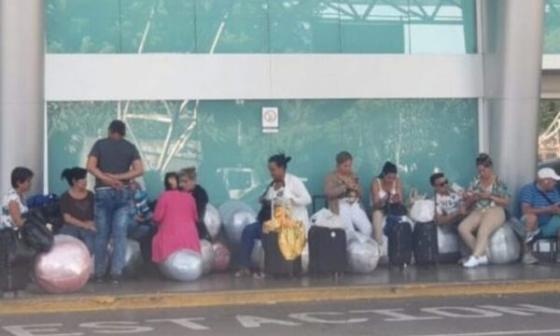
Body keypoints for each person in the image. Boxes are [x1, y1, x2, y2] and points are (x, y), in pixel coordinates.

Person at [87, 120, 144, 285]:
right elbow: (140, 170)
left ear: (109, 130)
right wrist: (119, 178)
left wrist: (107, 178)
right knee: (120, 236)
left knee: (101, 235)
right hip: (123, 192)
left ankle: (98, 274)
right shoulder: (130, 147)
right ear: (124, 132)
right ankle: (115, 274)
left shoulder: (99, 144)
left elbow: (90, 166)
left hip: (103, 192)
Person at [236, 154, 311, 278]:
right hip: (274, 223)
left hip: (291, 225)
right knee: (249, 230)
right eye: (270, 170)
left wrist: (290, 200)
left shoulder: (293, 181)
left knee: (269, 235)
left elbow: (307, 199)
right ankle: (244, 266)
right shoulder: (271, 185)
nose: (271, 173)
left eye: (273, 170)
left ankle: (269, 268)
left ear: (282, 168)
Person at [459, 153, 510, 268]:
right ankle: (482, 255)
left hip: (495, 209)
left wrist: (490, 196)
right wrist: (470, 198)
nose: (481, 173)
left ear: (490, 168)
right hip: (479, 209)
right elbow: (469, 200)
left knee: (483, 230)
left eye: (484, 171)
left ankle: (475, 257)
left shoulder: (498, 181)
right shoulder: (475, 181)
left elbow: (507, 201)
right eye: (479, 171)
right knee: (463, 228)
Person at [151, 176, 200, 264]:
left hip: (170, 243)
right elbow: (195, 218)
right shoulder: (190, 198)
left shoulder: (164, 196)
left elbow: (157, 218)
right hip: (191, 241)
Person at [324, 151, 372, 239]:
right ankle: (350, 250)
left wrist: (357, 188)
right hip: (340, 206)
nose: (348, 168)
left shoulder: (353, 175)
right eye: (345, 166)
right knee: (349, 231)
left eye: (350, 165)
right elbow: (328, 193)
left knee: (367, 228)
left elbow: (361, 193)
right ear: (338, 165)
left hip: (354, 205)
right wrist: (345, 187)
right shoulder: (331, 176)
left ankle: (365, 248)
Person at [517, 167, 560, 265]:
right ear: (545, 181)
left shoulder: (554, 191)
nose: (555, 183)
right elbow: (525, 210)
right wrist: (548, 209)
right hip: (533, 224)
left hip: (549, 223)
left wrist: (556, 210)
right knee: (531, 217)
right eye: (553, 181)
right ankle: (526, 253)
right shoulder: (528, 189)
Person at [58, 167, 95, 254]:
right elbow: (67, 218)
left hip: (89, 226)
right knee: (70, 245)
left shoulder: (91, 195)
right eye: (82, 179)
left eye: (85, 179)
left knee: (91, 244)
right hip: (71, 227)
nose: (85, 181)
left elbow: (97, 213)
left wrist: (92, 223)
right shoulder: (65, 197)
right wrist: (84, 225)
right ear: (74, 181)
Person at [371, 161, 404, 244]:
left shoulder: (397, 181)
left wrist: (397, 200)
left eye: (393, 178)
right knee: (377, 215)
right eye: (389, 177)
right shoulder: (376, 182)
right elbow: (375, 205)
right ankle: (379, 245)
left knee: (405, 220)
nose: (391, 180)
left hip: (394, 209)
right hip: (380, 209)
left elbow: (401, 201)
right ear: (383, 174)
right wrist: (383, 200)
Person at [179, 167, 211, 240]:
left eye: (185, 181)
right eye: (180, 182)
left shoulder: (200, 194)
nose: (181, 185)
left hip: (196, 232)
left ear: (193, 181)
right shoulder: (178, 192)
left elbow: (199, 216)